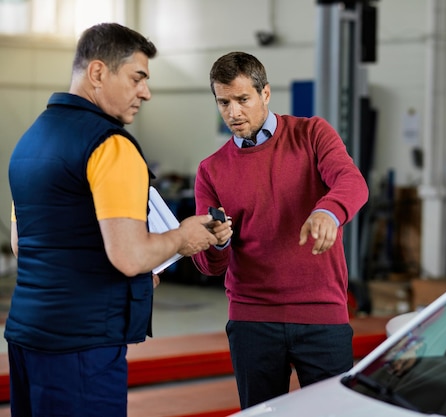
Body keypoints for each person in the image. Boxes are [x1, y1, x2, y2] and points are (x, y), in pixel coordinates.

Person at [6, 23, 231, 417]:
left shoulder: (30, 140)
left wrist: (128, 278)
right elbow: (128, 256)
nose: (145, 92)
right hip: (84, 345)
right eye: (137, 78)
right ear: (97, 73)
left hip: (27, 338)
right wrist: (181, 237)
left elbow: (25, 244)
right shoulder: (110, 145)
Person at [192, 51, 369, 409]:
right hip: (252, 319)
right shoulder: (211, 170)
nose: (233, 113)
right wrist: (217, 243)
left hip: (322, 315)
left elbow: (352, 182)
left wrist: (328, 212)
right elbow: (209, 265)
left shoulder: (312, 133)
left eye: (243, 100)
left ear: (266, 94)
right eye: (223, 102)